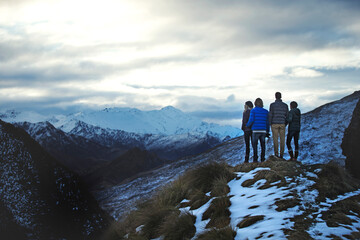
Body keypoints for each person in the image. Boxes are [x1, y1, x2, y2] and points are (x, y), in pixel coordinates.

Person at [246, 98, 270, 162]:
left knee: (255, 145)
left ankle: (255, 159)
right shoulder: (266, 111)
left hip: (255, 130)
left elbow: (251, 120)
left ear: (255, 103)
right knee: (263, 145)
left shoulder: (253, 111)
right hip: (263, 130)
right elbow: (267, 122)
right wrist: (267, 130)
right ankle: (262, 158)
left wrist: (247, 125)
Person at [269, 92, 289, 158]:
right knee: (282, 139)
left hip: (274, 123)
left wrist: (270, 123)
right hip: (282, 123)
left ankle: (276, 154)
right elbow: (287, 116)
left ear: (275, 97)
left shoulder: (272, 105)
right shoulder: (285, 105)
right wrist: (285, 123)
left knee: (275, 139)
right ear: (281, 96)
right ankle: (281, 154)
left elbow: (270, 115)